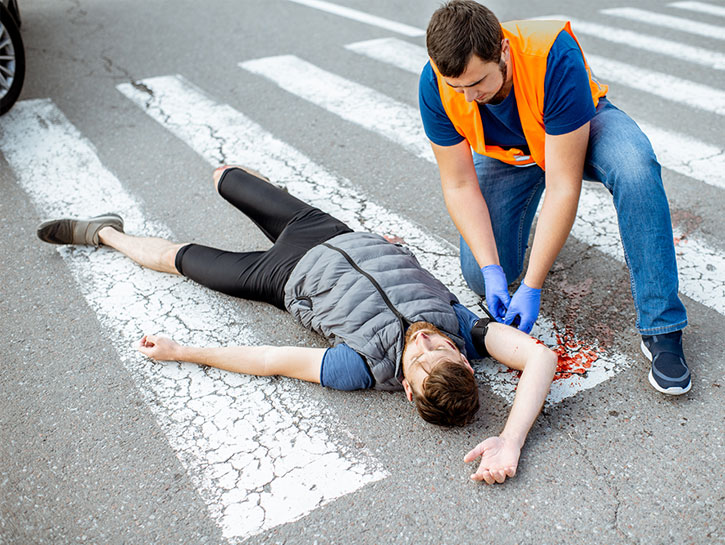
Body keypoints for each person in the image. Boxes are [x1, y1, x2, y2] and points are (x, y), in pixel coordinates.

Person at [36, 165, 556, 484]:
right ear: (462, 356)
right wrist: (510, 440)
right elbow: (539, 357)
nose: (421, 343)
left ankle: (104, 234)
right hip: (327, 231)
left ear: (406, 392)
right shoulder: (468, 329)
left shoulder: (361, 368)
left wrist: (182, 350)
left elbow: (270, 361)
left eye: (416, 363)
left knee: (182, 259)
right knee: (226, 176)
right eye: (436, 349)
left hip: (283, 275)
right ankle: (256, 190)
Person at [419, 0, 690, 395]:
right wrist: (495, 270)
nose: (467, 97)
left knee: (636, 168)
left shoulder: (553, 56)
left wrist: (533, 285)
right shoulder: (436, 82)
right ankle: (508, 257)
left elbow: (564, 182)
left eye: (478, 84)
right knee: (480, 274)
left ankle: (662, 327)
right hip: (510, 155)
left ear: (504, 53)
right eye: (457, 87)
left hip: (575, 126)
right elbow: (459, 184)